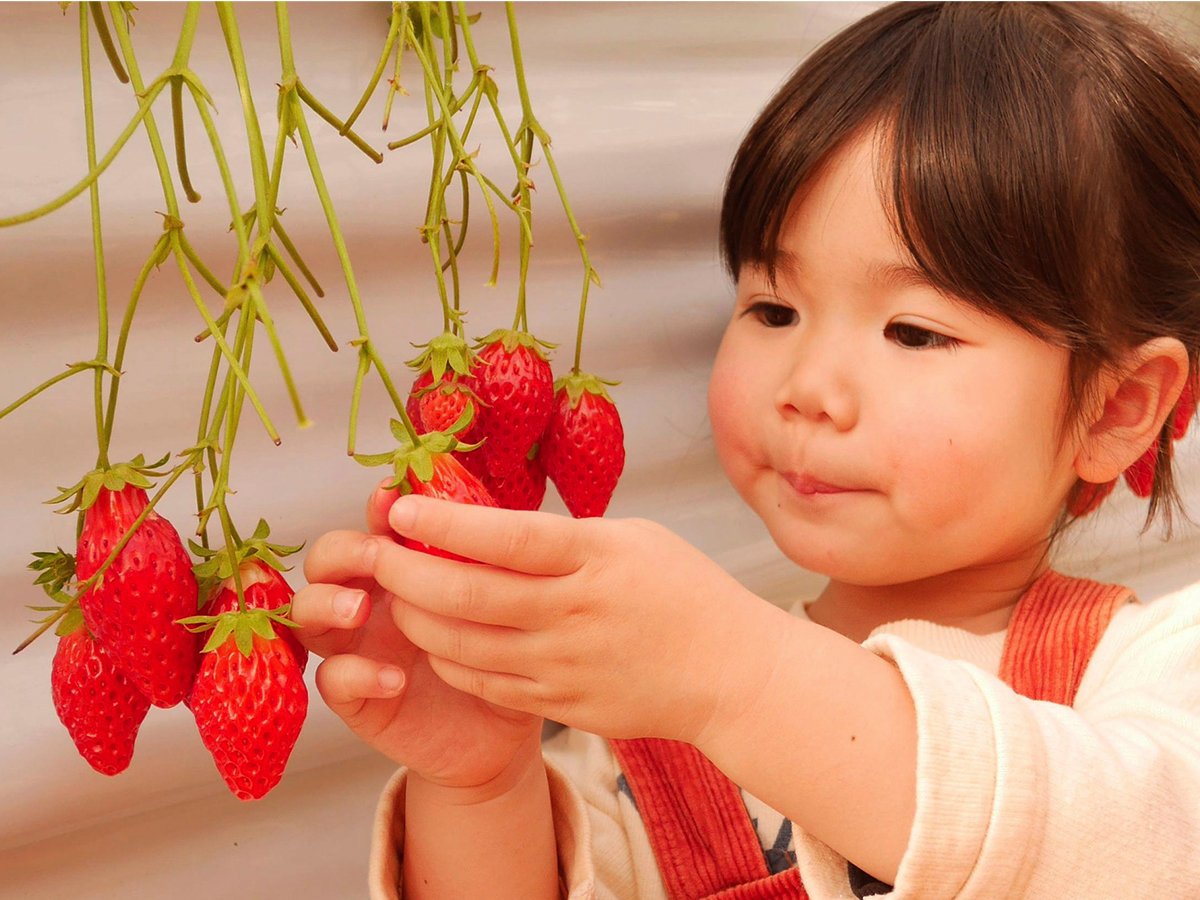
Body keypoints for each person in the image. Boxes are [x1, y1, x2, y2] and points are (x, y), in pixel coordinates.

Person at [292, 3, 1200, 898]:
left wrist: (739, 678)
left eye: (914, 332)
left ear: (1116, 408)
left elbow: (1138, 844)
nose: (807, 385)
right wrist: (482, 786)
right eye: (774, 309)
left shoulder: (1158, 670)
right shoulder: (639, 740)